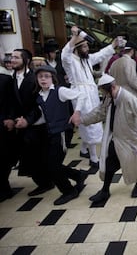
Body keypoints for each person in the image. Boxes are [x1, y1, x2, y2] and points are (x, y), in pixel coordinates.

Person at [72, 74, 137, 203]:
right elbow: (99, 113)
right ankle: (105, 190)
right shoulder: (109, 98)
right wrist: (82, 120)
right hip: (115, 137)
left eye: (104, 92)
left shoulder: (128, 98)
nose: (104, 95)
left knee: (133, 163)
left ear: (112, 87)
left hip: (129, 138)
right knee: (109, 162)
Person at [61, 25, 122, 167]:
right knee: (88, 124)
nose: (87, 49)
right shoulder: (70, 61)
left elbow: (100, 54)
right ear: (76, 48)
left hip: (92, 94)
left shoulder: (86, 60)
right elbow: (65, 54)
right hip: (80, 96)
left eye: (87, 46)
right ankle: (94, 158)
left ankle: (84, 149)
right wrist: (74, 37)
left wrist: (113, 44)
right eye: (84, 47)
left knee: (93, 119)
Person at [33, 65, 88, 205]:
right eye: (40, 77)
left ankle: (69, 191)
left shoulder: (60, 91)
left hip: (62, 132)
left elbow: (81, 95)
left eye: (46, 76)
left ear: (53, 78)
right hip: (50, 133)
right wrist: (27, 123)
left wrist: (77, 112)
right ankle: (78, 175)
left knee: (53, 165)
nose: (43, 79)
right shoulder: (39, 97)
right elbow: (44, 117)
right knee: (49, 164)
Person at [4, 49, 54, 196]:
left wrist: (27, 120)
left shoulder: (33, 79)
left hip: (37, 124)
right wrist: (11, 118)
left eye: (16, 57)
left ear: (25, 61)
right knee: (28, 157)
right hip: (20, 124)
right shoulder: (12, 79)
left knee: (38, 157)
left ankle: (46, 182)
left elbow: (39, 105)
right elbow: (12, 103)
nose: (12, 60)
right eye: (11, 57)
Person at [0, 57, 16, 202]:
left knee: (3, 157)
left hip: (3, 124)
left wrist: (11, 117)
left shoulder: (5, 79)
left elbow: (13, 101)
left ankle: (4, 187)